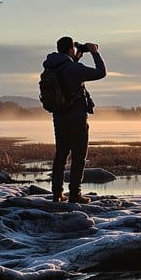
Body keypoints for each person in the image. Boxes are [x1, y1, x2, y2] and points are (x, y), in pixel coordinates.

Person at [42, 37, 107, 204]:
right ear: (70, 49)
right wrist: (94, 52)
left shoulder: (52, 67)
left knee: (61, 156)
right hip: (77, 119)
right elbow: (101, 72)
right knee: (78, 157)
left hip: (59, 119)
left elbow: (67, 75)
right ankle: (75, 194)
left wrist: (76, 58)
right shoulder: (74, 68)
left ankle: (57, 193)